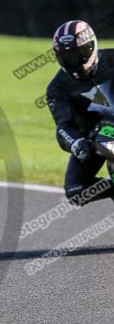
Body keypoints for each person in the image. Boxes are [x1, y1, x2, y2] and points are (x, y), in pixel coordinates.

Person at [47, 20, 114, 206]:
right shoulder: (57, 88)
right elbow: (63, 127)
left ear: (91, 47)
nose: (75, 62)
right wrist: (77, 144)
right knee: (76, 191)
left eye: (79, 54)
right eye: (68, 57)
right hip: (94, 141)